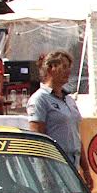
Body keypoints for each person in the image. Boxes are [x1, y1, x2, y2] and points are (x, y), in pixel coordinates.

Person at [27, 49, 85, 177]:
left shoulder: (69, 99)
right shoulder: (40, 99)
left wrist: (85, 169)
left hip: (73, 162)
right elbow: (38, 138)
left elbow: (77, 135)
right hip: (54, 164)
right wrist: (45, 171)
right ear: (50, 69)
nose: (68, 71)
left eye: (68, 67)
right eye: (63, 67)